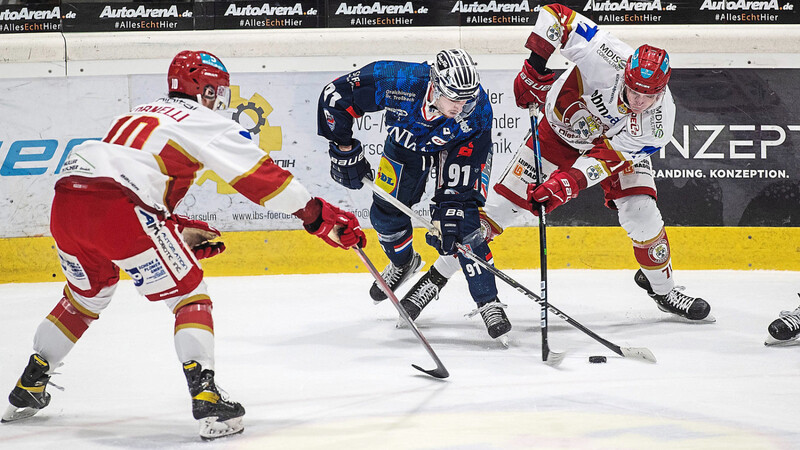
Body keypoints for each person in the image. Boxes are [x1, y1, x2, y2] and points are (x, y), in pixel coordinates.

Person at [1, 50, 366, 440]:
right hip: (121, 207)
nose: (219, 101)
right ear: (204, 89)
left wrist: (172, 229)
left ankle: (30, 384)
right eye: (217, 92)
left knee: (85, 298)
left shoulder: (137, 112)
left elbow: (124, 173)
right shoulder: (204, 121)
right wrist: (316, 215)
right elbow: (261, 179)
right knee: (190, 295)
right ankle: (206, 397)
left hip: (68, 202)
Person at [400, 4, 714, 325]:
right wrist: (534, 68)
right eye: (633, 89)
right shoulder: (608, 56)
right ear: (626, 73)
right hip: (556, 134)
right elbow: (557, 14)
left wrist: (569, 183)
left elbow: (609, 158)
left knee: (641, 213)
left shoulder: (658, 124)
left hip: (609, 149)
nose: (638, 100)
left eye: (648, 96)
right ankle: (433, 279)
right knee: (493, 216)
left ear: (662, 89)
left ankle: (663, 290)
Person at [317, 49, 511, 340]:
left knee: (462, 225)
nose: (461, 106)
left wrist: (453, 207)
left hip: (459, 148)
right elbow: (334, 97)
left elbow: (471, 154)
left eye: (466, 99)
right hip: (406, 145)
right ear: (435, 86)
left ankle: (488, 301)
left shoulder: (478, 108)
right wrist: (344, 149)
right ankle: (403, 262)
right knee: (385, 215)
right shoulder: (399, 80)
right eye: (454, 98)